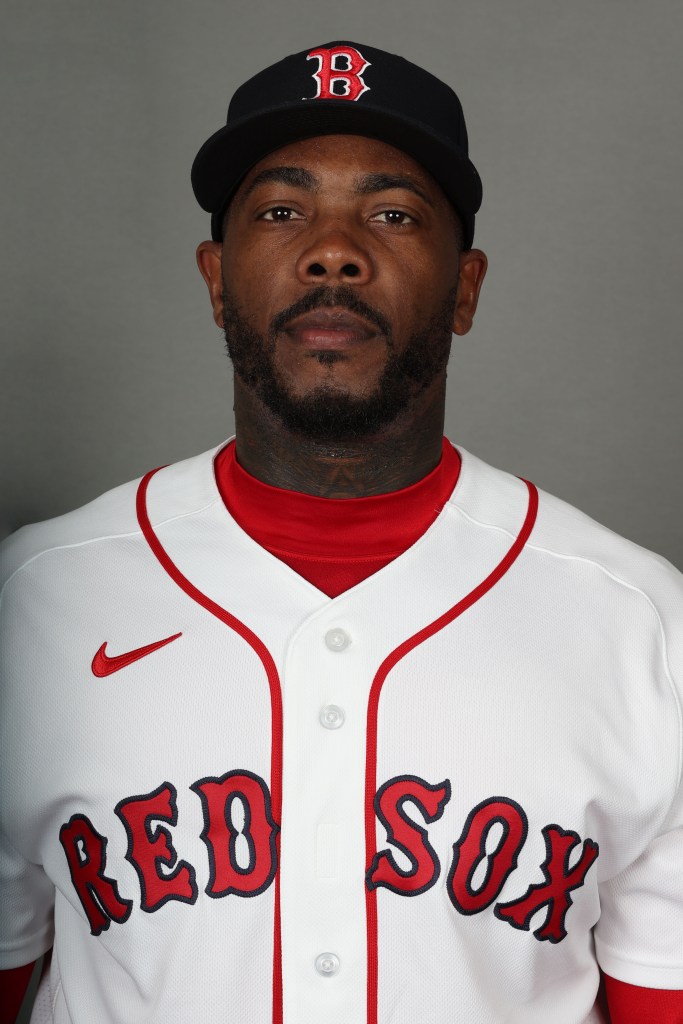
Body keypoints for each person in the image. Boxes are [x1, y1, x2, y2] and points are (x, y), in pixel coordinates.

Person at [1, 40, 681, 1024]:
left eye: (392, 214)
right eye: (280, 211)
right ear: (214, 279)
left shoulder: (641, 626)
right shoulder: (33, 603)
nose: (332, 249)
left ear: (465, 287)